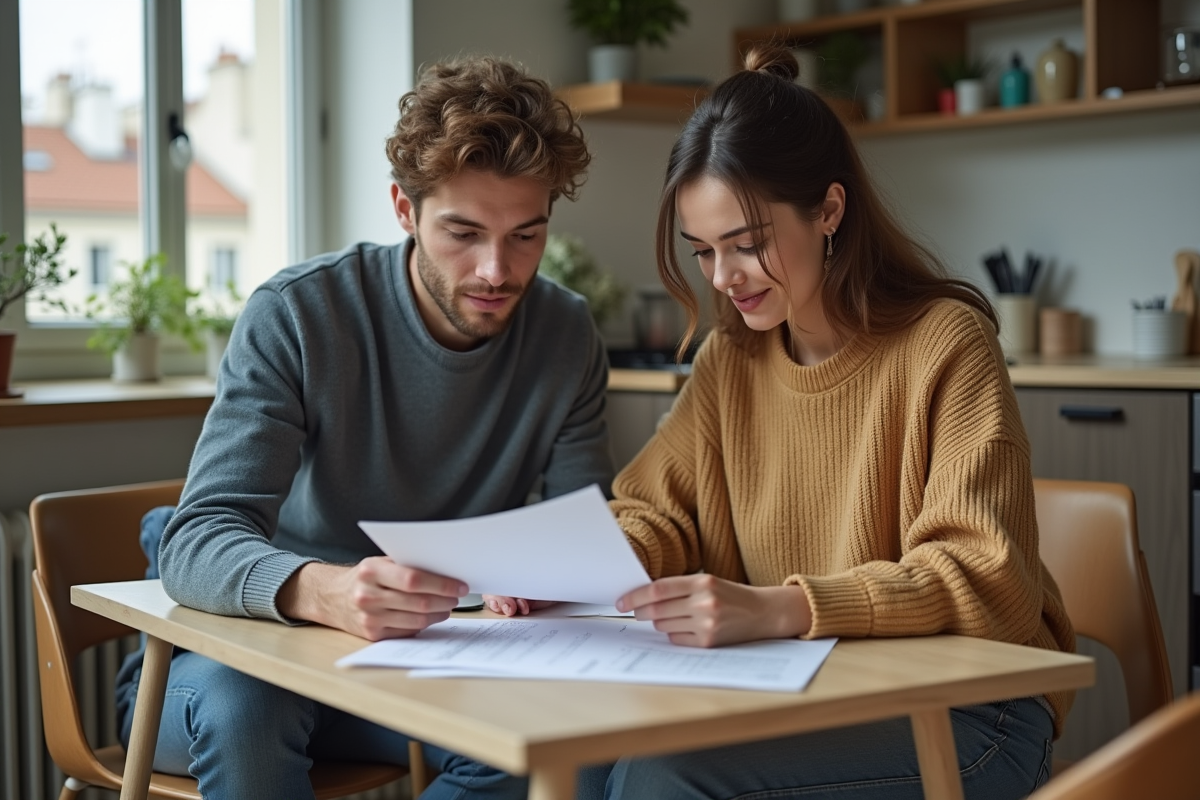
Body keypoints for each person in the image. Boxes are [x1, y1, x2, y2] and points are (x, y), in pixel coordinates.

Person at [581, 44, 1076, 800]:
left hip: (975, 712)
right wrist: (577, 569)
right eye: (705, 252)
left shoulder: (944, 343)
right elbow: (658, 512)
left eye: (747, 245)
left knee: (660, 780)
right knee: (583, 756)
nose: (723, 278)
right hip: (815, 688)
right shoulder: (730, 361)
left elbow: (987, 579)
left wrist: (786, 606)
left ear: (830, 211)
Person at [114, 55, 615, 800]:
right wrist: (324, 592)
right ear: (404, 210)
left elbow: (581, 541)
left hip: (429, 657)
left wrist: (544, 580)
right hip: (242, 659)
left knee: (570, 749)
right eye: (463, 232)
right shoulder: (298, 314)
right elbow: (196, 540)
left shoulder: (567, 334)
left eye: (526, 236)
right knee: (247, 711)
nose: (495, 271)